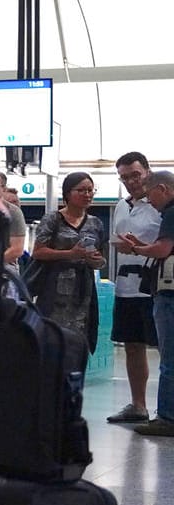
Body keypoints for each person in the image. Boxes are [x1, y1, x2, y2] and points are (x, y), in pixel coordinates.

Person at [116, 169, 174, 438]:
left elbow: (162, 249)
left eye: (151, 194)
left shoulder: (170, 213)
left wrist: (137, 249)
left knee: (169, 357)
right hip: (140, 289)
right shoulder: (123, 207)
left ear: (162, 188)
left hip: (168, 292)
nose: (150, 201)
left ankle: (167, 417)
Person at [107, 153, 159, 423]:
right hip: (126, 286)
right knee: (132, 344)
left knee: (165, 347)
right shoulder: (121, 206)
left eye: (135, 175)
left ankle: (168, 408)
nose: (131, 182)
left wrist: (138, 246)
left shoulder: (162, 205)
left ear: (147, 172)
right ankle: (138, 405)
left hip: (155, 285)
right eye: (125, 177)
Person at [29, 171, 104, 356]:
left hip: (83, 289)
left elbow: (101, 258)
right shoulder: (53, 219)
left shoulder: (95, 223)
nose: (87, 194)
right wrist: (70, 253)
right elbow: (38, 252)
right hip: (55, 287)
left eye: (90, 190)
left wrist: (95, 260)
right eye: (81, 190)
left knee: (79, 338)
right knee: (53, 337)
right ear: (68, 194)